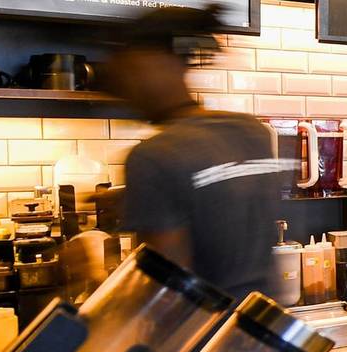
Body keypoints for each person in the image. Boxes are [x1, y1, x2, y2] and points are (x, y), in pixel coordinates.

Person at [110, 6, 287, 299]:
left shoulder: (154, 156)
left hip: (205, 337)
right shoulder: (251, 131)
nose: (124, 89)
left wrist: (85, 270)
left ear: (159, 62)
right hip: (261, 328)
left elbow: (164, 289)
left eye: (129, 71)